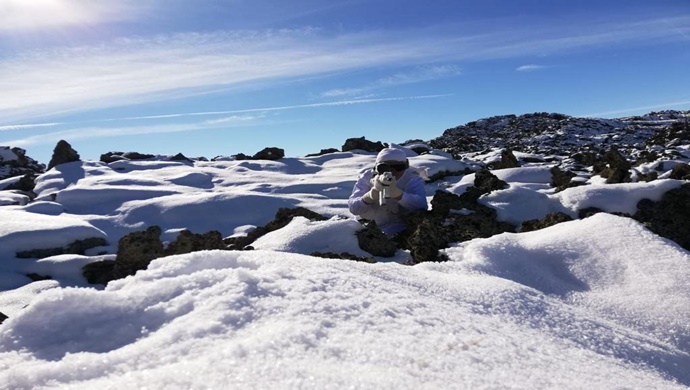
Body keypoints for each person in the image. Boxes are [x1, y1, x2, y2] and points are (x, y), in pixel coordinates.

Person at [348, 147, 428, 236]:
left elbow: (421, 206)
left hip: (401, 229)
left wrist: (399, 195)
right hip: (368, 228)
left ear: (405, 166)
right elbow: (354, 208)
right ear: (376, 167)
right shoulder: (367, 177)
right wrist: (369, 197)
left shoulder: (412, 178)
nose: (392, 172)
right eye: (384, 167)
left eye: (398, 167)